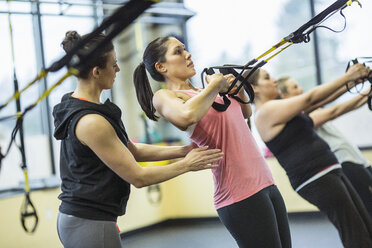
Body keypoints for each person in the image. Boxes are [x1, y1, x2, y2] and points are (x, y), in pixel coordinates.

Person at [52, 31, 224, 248]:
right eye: (113, 65)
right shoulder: (91, 122)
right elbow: (138, 177)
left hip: (91, 218)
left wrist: (183, 151)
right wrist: (187, 165)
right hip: (88, 221)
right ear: (96, 72)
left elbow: (131, 150)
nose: (118, 69)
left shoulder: (89, 108)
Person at [133, 36, 291, 248]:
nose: (188, 54)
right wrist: (215, 85)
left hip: (265, 182)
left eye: (185, 49)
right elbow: (186, 116)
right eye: (178, 52)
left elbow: (245, 112)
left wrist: (237, 87)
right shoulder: (166, 96)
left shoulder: (203, 92)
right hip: (238, 193)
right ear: (161, 66)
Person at [248, 66, 372, 248]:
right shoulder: (265, 112)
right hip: (315, 178)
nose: (274, 80)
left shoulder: (281, 109)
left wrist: (354, 82)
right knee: (355, 232)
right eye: (267, 78)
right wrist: (348, 76)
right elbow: (311, 97)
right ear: (254, 88)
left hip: (328, 171)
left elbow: (321, 100)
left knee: (365, 225)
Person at [277, 76, 372, 216]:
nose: (301, 89)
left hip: (355, 157)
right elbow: (337, 110)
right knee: (367, 206)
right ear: (284, 95)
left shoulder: (310, 110)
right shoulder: (301, 118)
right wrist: (360, 85)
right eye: (295, 87)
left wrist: (363, 88)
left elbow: (340, 100)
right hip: (346, 161)